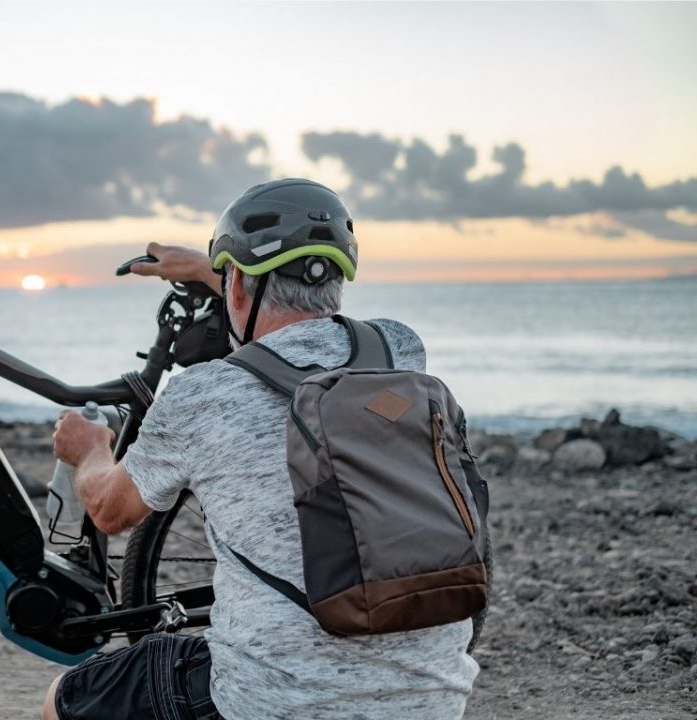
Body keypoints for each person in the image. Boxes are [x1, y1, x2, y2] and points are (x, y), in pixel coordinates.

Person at [44, 179, 479, 720]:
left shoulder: (202, 394)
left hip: (270, 703)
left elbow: (110, 511)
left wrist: (88, 451)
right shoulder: (400, 350)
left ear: (239, 291)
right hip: (433, 700)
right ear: (337, 279)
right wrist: (222, 274)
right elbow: (306, 316)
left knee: (65, 698)